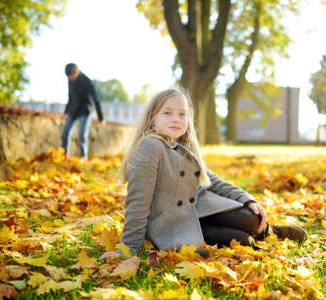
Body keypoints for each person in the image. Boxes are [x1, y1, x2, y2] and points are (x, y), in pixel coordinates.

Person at [100, 88, 307, 258]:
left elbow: (212, 180)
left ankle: (273, 232)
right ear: (152, 119)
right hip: (174, 225)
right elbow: (138, 201)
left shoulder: (183, 147)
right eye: (167, 113)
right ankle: (263, 235)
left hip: (200, 210)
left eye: (182, 114)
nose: (176, 119)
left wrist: (247, 199)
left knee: (251, 219)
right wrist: (128, 248)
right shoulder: (150, 147)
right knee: (243, 240)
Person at [62, 63, 104, 159]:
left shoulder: (87, 81)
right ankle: (64, 156)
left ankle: (83, 158)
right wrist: (66, 111)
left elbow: (95, 99)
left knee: (82, 135)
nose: (70, 79)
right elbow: (70, 96)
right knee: (65, 132)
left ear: (77, 72)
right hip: (73, 110)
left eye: (72, 76)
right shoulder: (70, 79)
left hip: (85, 110)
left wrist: (100, 117)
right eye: (69, 77)